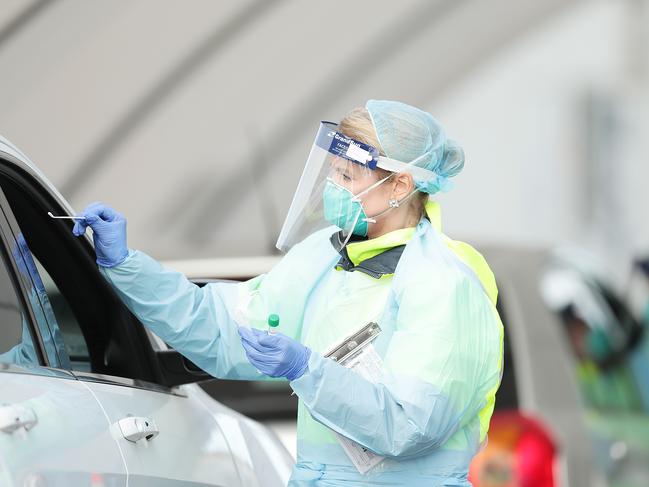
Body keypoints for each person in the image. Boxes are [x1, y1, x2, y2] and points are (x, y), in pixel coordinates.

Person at [73, 100, 503, 486]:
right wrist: (125, 264)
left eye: (348, 175)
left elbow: (411, 425)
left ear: (399, 186)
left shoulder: (444, 283)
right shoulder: (323, 256)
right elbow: (221, 329)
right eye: (333, 171)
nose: (333, 186)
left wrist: (307, 369)